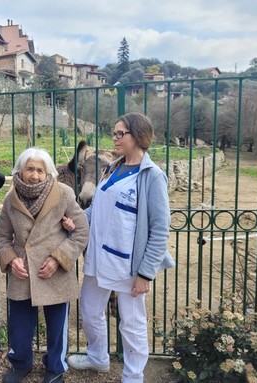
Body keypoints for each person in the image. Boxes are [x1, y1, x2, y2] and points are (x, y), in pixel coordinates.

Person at [67, 113, 175, 383]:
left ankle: (133, 375)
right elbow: (96, 210)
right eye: (114, 133)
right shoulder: (112, 168)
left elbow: (160, 228)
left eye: (120, 133)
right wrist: (76, 220)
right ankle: (98, 358)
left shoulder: (152, 176)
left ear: (137, 136)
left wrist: (146, 273)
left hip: (129, 265)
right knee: (90, 310)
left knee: (132, 322)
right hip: (98, 257)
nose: (114, 138)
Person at [0, 147, 89, 383]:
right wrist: (10, 259)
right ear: (20, 170)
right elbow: (2, 237)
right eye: (30, 169)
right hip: (23, 270)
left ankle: (55, 367)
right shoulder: (10, 198)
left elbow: (81, 232)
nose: (34, 175)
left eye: (40, 170)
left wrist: (59, 259)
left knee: (57, 326)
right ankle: (20, 363)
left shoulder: (64, 194)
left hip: (53, 270)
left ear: (48, 172)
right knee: (19, 325)